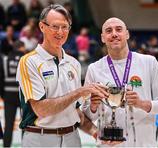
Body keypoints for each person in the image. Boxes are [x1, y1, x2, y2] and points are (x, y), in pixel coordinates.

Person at [16, 4, 109, 147]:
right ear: (42, 27)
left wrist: (96, 132)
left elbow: (76, 113)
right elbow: (41, 109)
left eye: (65, 27)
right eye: (55, 26)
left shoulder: (74, 64)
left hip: (72, 138)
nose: (60, 32)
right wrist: (80, 92)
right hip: (40, 139)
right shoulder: (29, 62)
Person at [82, 17, 158, 147]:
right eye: (108, 31)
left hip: (143, 145)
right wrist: (93, 106)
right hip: (108, 145)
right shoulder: (94, 69)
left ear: (127, 34)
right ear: (102, 38)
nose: (114, 34)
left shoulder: (149, 62)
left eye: (119, 29)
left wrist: (141, 103)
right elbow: (87, 116)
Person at [0, 40, 26, 147]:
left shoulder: (5, 60)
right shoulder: (26, 60)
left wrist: (3, 95)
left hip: (8, 95)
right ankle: (26, 145)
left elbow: (0, 80)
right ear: (21, 48)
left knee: (8, 125)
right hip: (23, 95)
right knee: (26, 124)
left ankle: (6, 146)